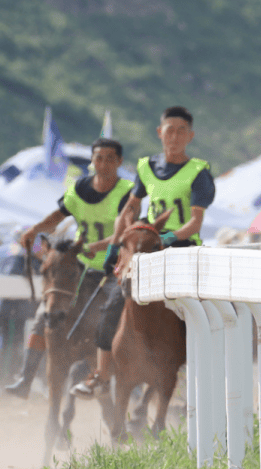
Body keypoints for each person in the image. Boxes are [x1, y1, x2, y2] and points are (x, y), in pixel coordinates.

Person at [78, 106, 215, 398]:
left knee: (197, 314)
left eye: (181, 131)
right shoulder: (146, 168)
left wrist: (167, 236)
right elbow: (130, 208)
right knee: (112, 304)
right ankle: (101, 376)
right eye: (170, 130)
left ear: (189, 136)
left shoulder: (199, 173)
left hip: (181, 251)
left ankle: (204, 375)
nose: (174, 136)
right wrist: (115, 247)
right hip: (144, 253)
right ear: (160, 132)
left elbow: (195, 222)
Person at [10, 138, 133, 399]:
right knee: (46, 312)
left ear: (119, 162)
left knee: (120, 317)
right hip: (82, 268)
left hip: (116, 270)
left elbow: (125, 232)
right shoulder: (79, 188)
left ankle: (129, 375)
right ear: (92, 161)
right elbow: (58, 215)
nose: (103, 164)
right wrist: (35, 229)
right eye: (99, 158)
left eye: (110, 158)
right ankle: (25, 377)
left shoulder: (127, 192)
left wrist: (98, 246)